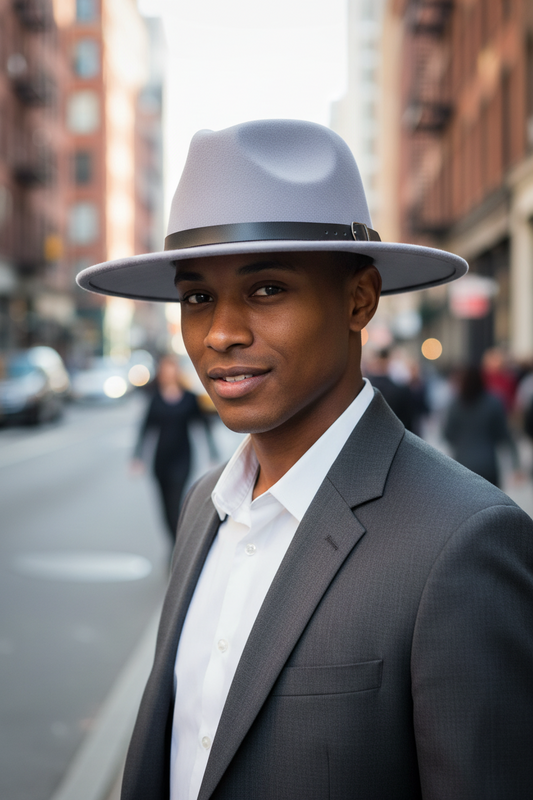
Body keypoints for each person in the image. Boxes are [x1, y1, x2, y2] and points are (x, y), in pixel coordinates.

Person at [77, 120, 533, 800]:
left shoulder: (462, 543)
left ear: (359, 299)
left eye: (266, 289)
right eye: (197, 296)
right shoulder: (205, 503)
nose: (222, 333)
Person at [132, 355, 218, 540]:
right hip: (160, 461)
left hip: (182, 459)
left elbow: (203, 427)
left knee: (175, 504)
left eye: (172, 370)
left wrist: (213, 453)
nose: (169, 374)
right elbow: (145, 429)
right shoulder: (155, 399)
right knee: (164, 509)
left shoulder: (190, 398)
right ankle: (174, 546)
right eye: (165, 371)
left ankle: (178, 548)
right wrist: (137, 457)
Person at [443, 365, 519, 488]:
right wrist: (516, 464)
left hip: (462, 463)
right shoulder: (494, 402)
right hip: (488, 464)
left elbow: (447, 434)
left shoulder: (455, 404)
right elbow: (504, 435)